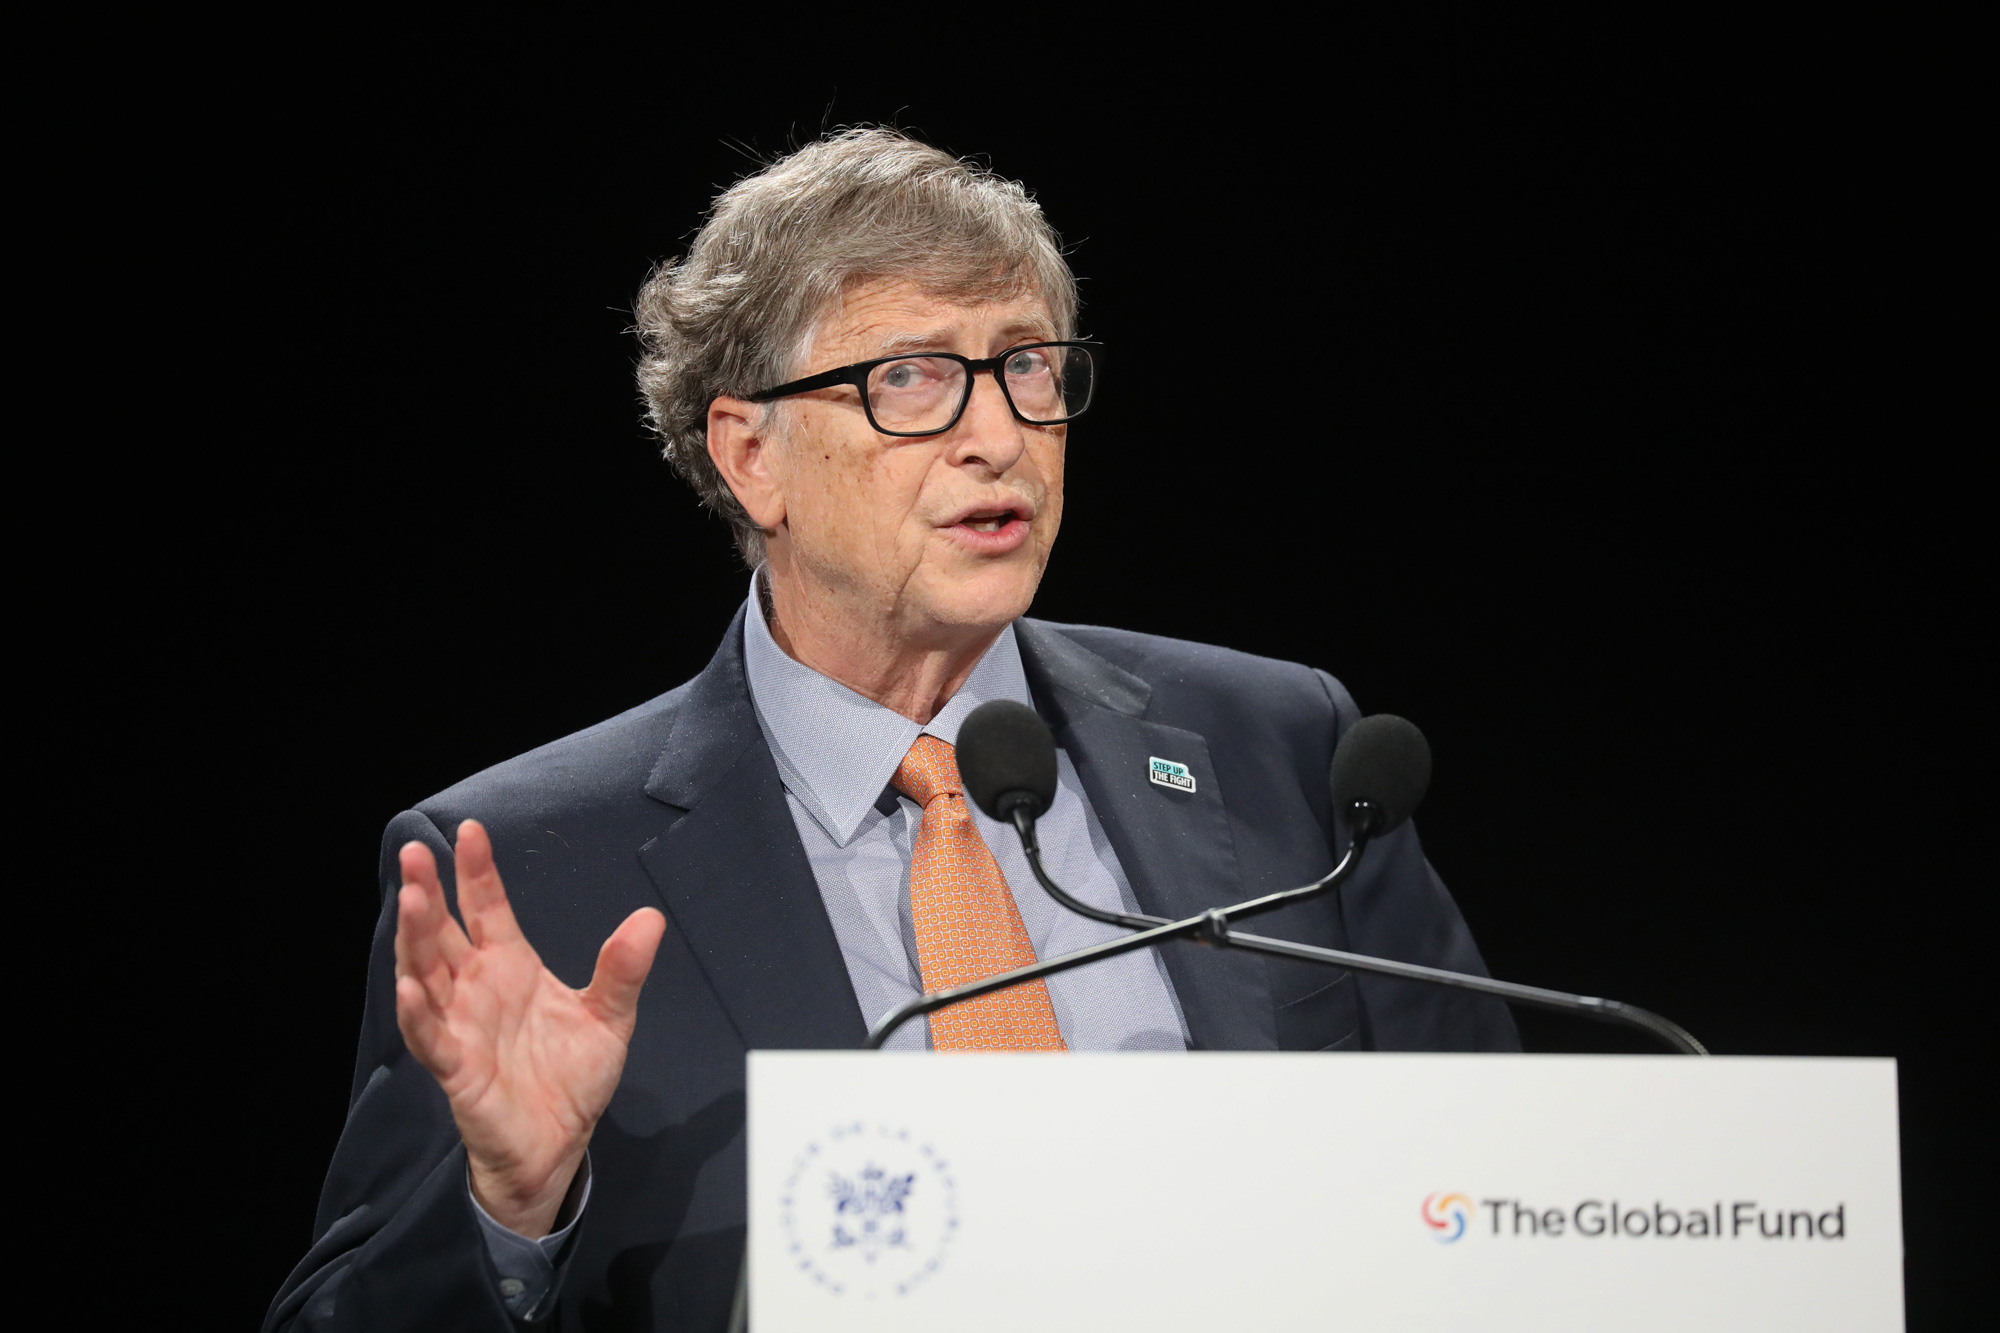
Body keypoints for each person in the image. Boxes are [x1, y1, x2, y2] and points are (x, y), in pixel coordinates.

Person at [266, 127, 1518, 1332]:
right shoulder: (532, 865)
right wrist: (510, 1210)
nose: (998, 436)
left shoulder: (1279, 749)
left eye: (1027, 365)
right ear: (751, 455)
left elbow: (1505, 1186)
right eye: (909, 378)